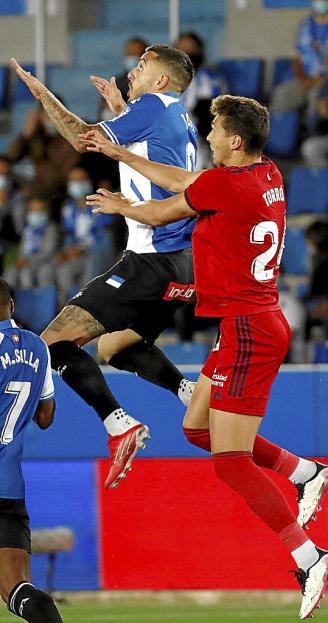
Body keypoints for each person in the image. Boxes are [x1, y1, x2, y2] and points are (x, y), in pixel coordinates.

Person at [84, 94, 328, 619]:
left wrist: (121, 176)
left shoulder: (223, 182)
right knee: (198, 430)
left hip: (248, 331)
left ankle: (310, 558)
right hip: (248, 323)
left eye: (214, 130)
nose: (207, 137)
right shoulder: (267, 175)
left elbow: (171, 193)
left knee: (230, 461)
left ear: (235, 141)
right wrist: (125, 184)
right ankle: (305, 473)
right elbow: (178, 194)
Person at [11, 46, 198, 489]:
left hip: (149, 260)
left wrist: (44, 95)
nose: (132, 71)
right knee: (114, 349)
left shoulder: (153, 106)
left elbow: (83, 140)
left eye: (142, 67)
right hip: (181, 266)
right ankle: (189, 393)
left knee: (49, 344)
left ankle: (119, 425)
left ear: (160, 81)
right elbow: (145, 155)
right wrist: (119, 108)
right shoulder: (175, 115)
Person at [0, 278, 63, 623]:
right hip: (9, 489)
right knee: (18, 590)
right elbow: (45, 415)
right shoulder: (38, 346)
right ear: (11, 306)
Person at [270, 0, 328, 131]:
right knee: (282, 94)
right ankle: (278, 142)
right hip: (305, 79)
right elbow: (297, 59)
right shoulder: (306, 25)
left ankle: (310, 140)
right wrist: (302, 79)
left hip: (324, 82)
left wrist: (320, 80)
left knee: (317, 96)